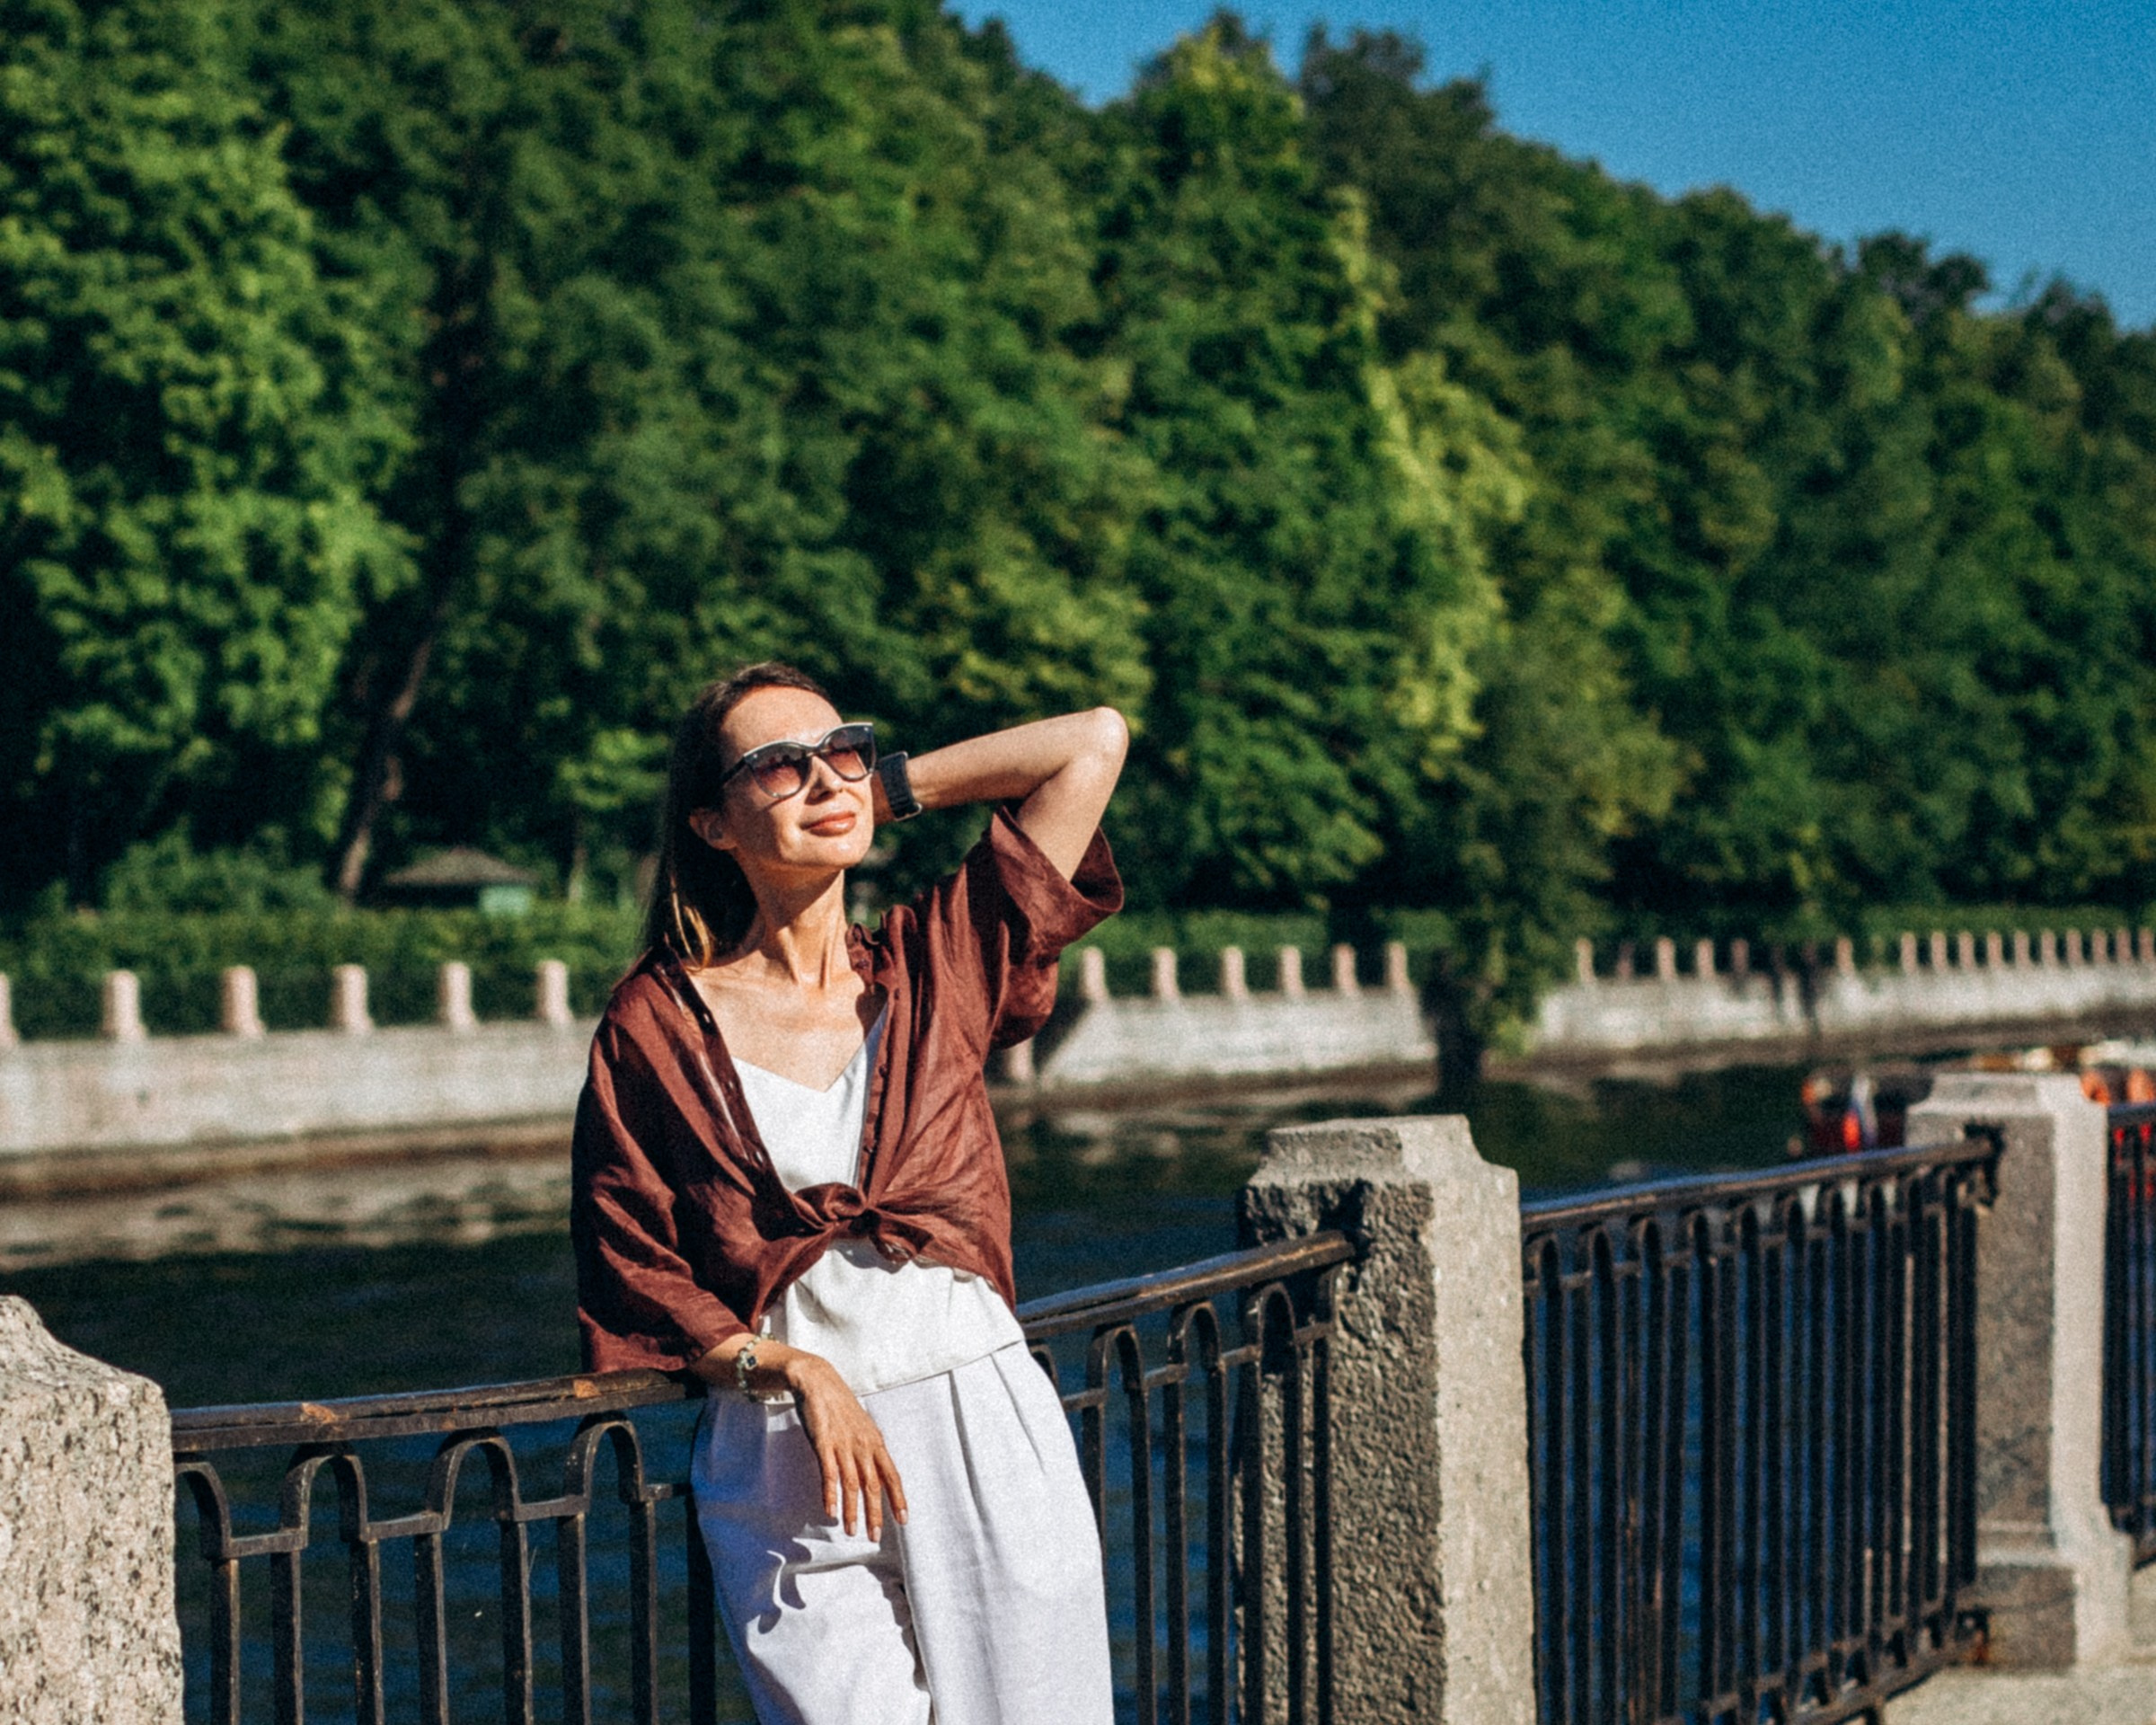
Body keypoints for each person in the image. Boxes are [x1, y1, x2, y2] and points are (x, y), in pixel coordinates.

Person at [571, 661, 1127, 1725]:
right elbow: (635, 1265)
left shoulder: (935, 967)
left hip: (976, 1413)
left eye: (841, 751)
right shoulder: (655, 1021)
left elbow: (1090, 742)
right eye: (777, 766)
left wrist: (886, 786)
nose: (824, 777)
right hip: (784, 1446)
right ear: (712, 821)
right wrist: (789, 1365)